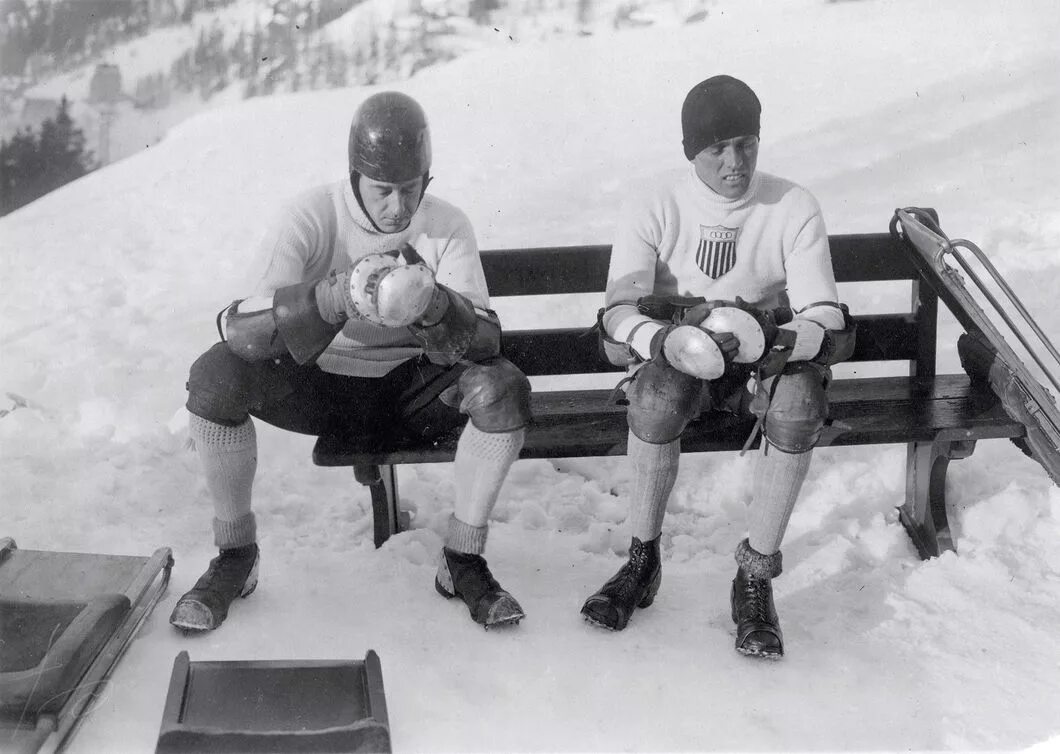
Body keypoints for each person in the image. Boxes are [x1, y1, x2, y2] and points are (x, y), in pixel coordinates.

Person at [171, 91, 532, 632]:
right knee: (215, 378)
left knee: (502, 388)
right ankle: (235, 555)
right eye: (383, 190)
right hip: (322, 385)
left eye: (411, 189)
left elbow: (485, 340)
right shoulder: (313, 214)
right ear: (355, 176)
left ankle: (462, 559)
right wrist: (327, 299)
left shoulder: (444, 225)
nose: (398, 207)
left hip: (410, 390)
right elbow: (240, 330)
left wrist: (436, 306)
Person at [581, 75, 854, 658]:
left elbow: (826, 314)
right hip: (682, 351)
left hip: (763, 358)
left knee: (801, 406)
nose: (735, 163)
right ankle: (642, 561)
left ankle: (754, 578)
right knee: (652, 401)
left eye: (746, 144)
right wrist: (664, 341)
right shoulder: (654, 202)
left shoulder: (792, 204)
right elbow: (616, 311)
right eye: (716, 150)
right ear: (691, 152)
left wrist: (775, 336)